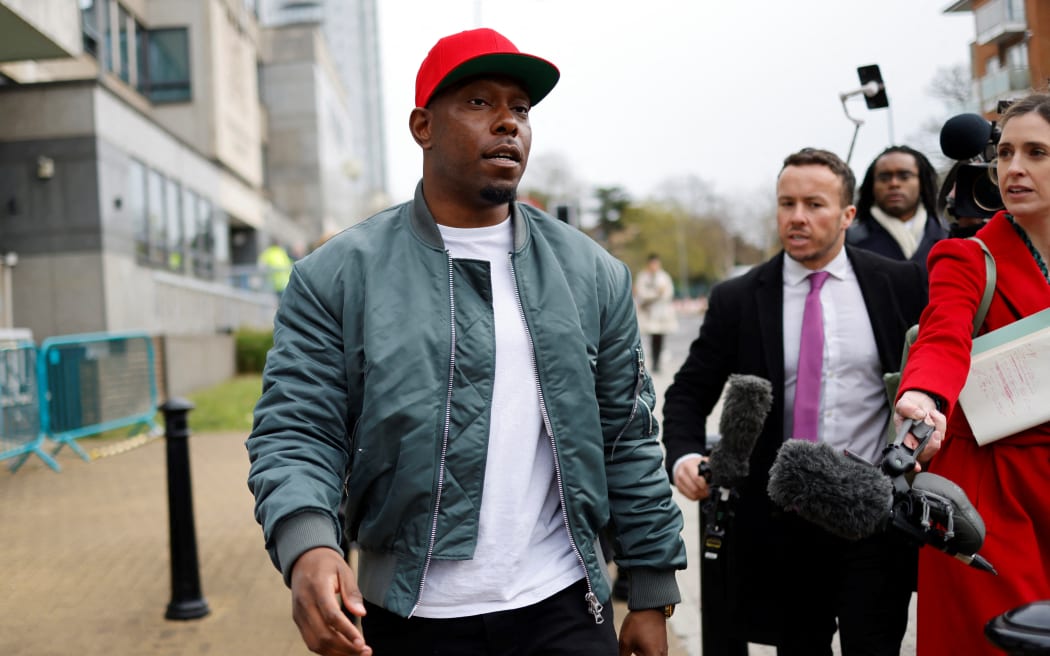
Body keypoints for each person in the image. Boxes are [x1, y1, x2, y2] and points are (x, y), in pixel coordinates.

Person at [246, 27, 686, 656]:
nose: (508, 122)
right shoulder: (337, 276)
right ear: (423, 126)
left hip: (565, 604)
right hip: (407, 614)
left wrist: (650, 589)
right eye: (480, 102)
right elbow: (298, 430)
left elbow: (627, 438)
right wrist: (309, 543)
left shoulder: (593, 275)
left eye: (521, 108)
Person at [663, 147, 934, 655]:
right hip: (779, 518)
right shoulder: (738, 298)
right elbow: (687, 391)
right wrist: (682, 455)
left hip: (872, 513)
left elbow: (936, 375)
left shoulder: (898, 284)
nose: (798, 217)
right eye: (787, 204)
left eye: (814, 204)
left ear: (848, 215)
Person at [894, 91, 1050, 656]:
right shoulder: (967, 258)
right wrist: (923, 394)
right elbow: (943, 335)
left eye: (1036, 153)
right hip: (988, 491)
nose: (1014, 168)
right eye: (1006, 152)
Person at [847, 145, 947, 269]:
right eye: (884, 178)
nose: (894, 184)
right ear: (872, 185)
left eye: (904, 177)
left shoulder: (948, 235)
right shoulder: (849, 241)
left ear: (922, 182)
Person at [634, 254, 678, 373]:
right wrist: (656, 293)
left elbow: (668, 293)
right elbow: (641, 293)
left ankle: (657, 363)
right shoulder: (643, 277)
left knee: (660, 338)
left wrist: (657, 294)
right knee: (650, 338)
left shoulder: (664, 276)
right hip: (648, 313)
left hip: (662, 314)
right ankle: (651, 362)